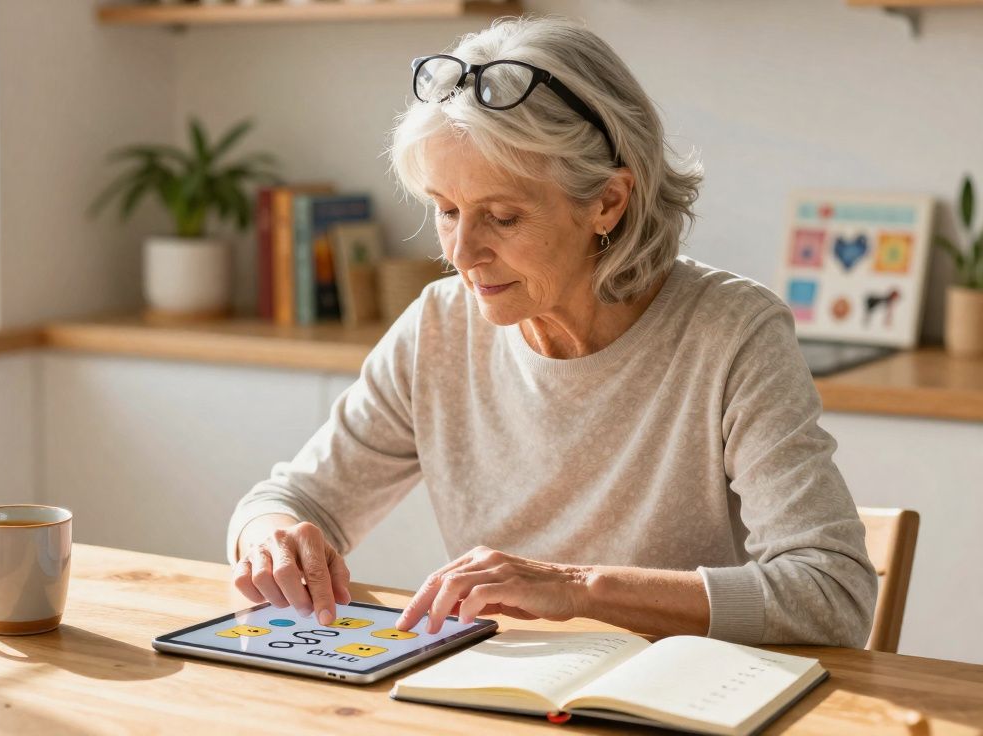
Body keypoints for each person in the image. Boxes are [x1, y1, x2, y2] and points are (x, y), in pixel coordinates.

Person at [227, 16, 877, 648]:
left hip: (679, 696)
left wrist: (578, 588)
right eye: (446, 210)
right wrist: (272, 538)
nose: (462, 253)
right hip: (499, 689)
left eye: (502, 216)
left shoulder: (732, 334)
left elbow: (832, 595)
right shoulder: (439, 326)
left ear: (607, 202)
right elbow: (291, 498)